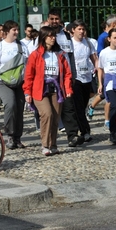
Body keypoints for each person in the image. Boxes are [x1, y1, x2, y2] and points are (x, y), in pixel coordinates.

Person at [23, 26, 73, 155]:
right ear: (44, 37)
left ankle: (53, 144)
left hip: (56, 88)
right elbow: (29, 75)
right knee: (47, 114)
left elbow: (67, 73)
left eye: (54, 36)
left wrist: (68, 88)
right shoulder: (36, 54)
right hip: (40, 89)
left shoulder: (60, 54)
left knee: (55, 117)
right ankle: (45, 145)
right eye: (50, 36)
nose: (53, 38)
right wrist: (27, 92)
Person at [48, 8, 84, 147]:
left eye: (57, 19)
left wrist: (73, 75)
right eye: (52, 19)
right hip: (50, 77)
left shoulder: (67, 36)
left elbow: (71, 57)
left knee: (69, 106)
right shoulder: (44, 34)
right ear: (48, 19)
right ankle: (49, 139)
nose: (54, 21)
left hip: (66, 77)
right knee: (52, 109)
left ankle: (72, 136)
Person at [0, 20, 29, 149]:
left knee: (19, 108)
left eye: (17, 29)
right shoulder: (0, 46)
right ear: (7, 31)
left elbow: (27, 63)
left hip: (19, 81)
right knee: (10, 104)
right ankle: (9, 134)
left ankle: (17, 137)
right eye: (14, 30)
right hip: (2, 81)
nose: (16, 32)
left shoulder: (21, 46)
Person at [70, 19, 98, 142]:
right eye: (79, 29)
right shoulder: (70, 43)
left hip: (87, 77)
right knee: (78, 106)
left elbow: (94, 57)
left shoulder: (88, 43)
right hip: (75, 78)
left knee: (84, 105)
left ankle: (79, 129)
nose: (82, 31)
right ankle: (85, 131)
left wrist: (97, 67)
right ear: (73, 30)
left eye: (83, 29)